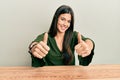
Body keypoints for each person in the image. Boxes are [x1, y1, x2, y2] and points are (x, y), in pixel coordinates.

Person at [28, 5, 95, 67]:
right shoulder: (46, 36)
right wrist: (33, 48)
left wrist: (88, 46)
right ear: (56, 18)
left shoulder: (74, 36)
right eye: (62, 19)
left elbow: (88, 41)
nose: (65, 24)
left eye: (69, 21)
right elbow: (34, 44)